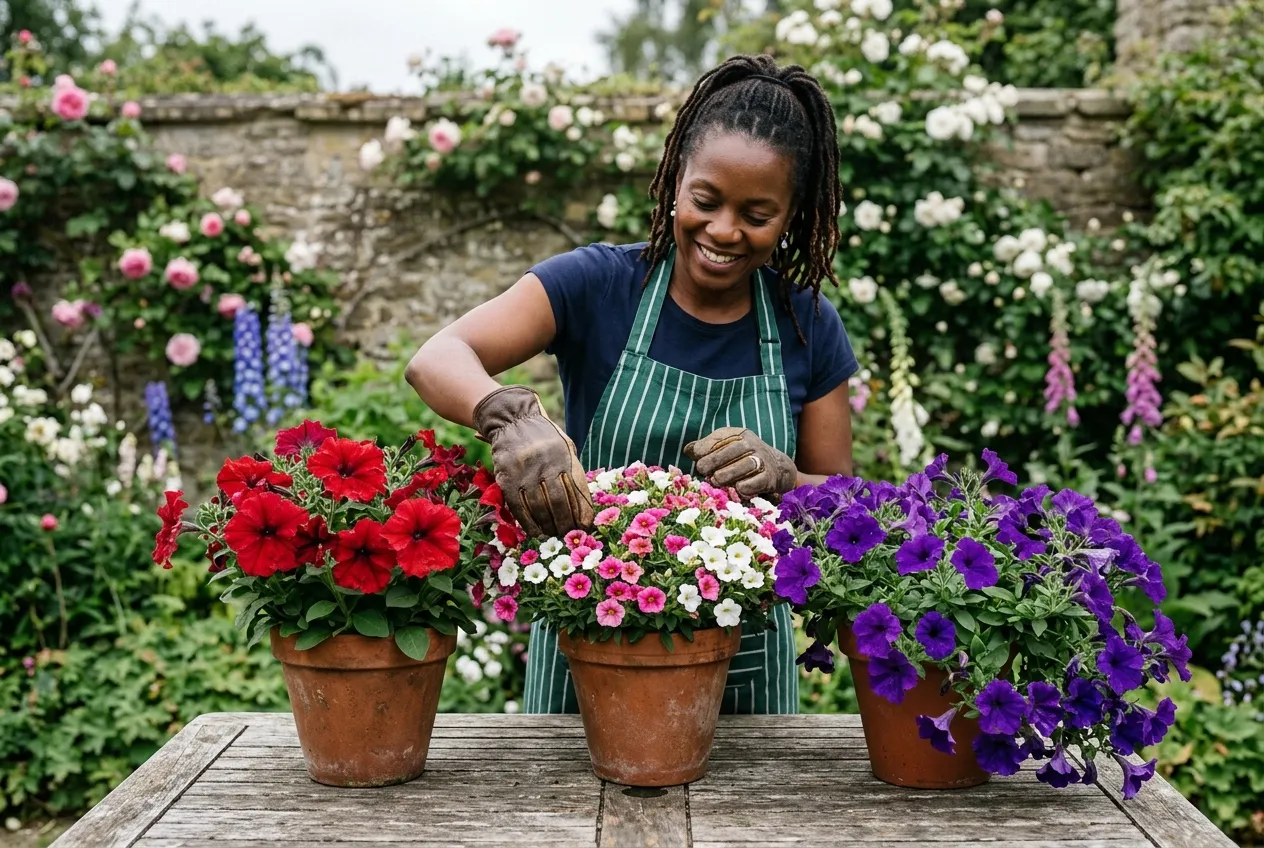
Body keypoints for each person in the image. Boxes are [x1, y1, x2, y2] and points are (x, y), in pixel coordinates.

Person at [405, 53, 859, 715]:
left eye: (757, 214)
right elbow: (438, 356)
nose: (724, 230)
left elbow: (846, 504)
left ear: (791, 216)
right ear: (676, 179)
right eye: (706, 200)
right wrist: (507, 415)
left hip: (746, 672)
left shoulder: (808, 325)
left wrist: (787, 481)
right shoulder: (596, 287)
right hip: (586, 651)